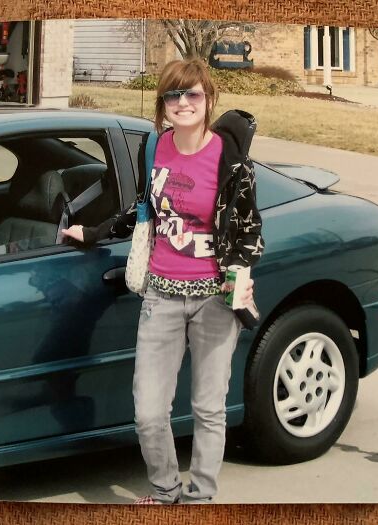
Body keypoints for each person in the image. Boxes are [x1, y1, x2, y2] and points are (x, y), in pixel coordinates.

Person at [61, 58, 264, 504]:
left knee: (209, 409)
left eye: (192, 94)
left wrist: (242, 271)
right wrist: (92, 233)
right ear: (163, 103)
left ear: (208, 100)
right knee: (149, 413)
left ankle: (200, 498)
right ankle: (167, 490)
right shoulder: (155, 147)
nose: (183, 103)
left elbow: (249, 229)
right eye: (173, 95)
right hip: (161, 296)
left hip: (214, 298)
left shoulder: (232, 161)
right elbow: (143, 210)